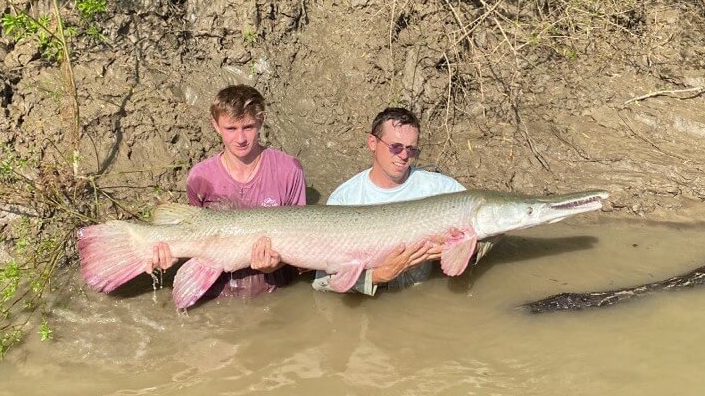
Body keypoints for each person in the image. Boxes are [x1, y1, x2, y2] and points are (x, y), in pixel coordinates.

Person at [313, 106, 495, 296]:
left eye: (411, 149)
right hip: (371, 305)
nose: (403, 155)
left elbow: (492, 229)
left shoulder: (442, 188)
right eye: (396, 147)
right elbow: (323, 281)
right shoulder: (345, 198)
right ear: (372, 142)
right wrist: (377, 276)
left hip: (425, 296)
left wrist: (471, 248)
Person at [148, 84, 306, 299]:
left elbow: (302, 240)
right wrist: (167, 257)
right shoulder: (200, 176)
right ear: (215, 125)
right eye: (231, 129)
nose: (240, 139)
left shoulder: (289, 169)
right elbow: (196, 238)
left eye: (248, 127)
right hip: (219, 291)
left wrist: (273, 266)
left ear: (261, 120)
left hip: (275, 290)